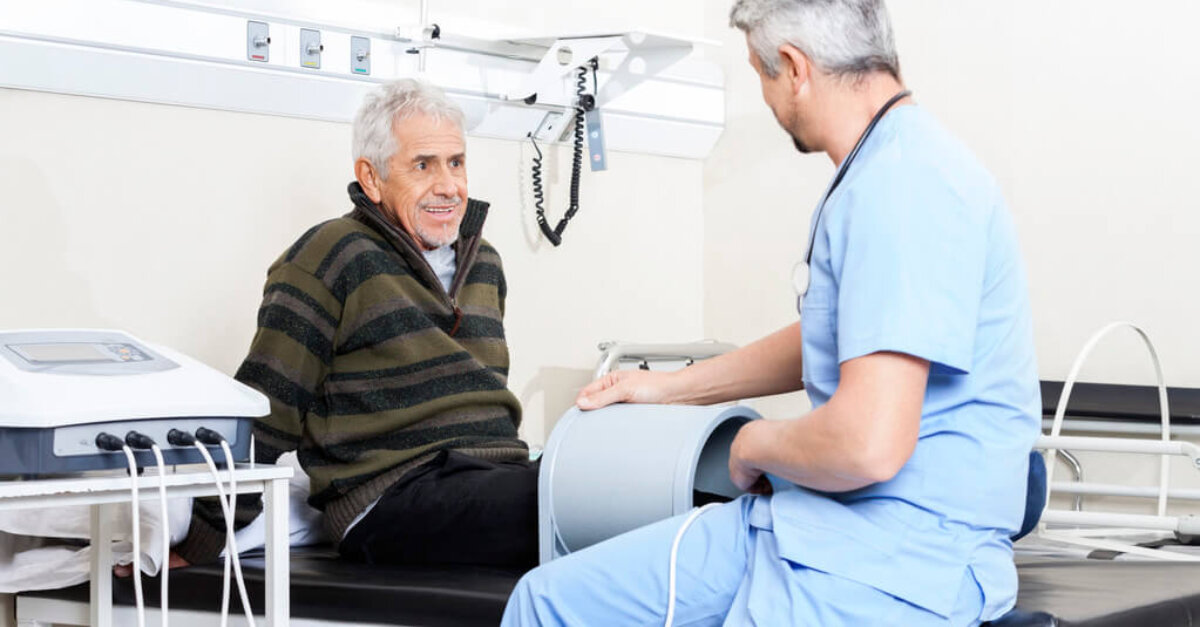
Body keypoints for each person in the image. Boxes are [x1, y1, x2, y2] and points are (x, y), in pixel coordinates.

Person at [501, 0, 1040, 625]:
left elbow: (868, 445)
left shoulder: (902, 187)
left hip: (895, 562)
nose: (764, 95)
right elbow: (839, 336)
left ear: (794, 67)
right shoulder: (893, 166)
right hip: (813, 526)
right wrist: (672, 390)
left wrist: (755, 442)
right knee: (548, 603)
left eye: (759, 73)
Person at [172, 79, 540, 570]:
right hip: (391, 494)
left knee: (617, 487)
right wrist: (199, 540)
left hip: (492, 473)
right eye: (423, 165)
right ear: (371, 177)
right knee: (574, 503)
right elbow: (266, 409)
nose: (449, 186)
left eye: (456, 162)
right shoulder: (334, 255)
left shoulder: (485, 263)